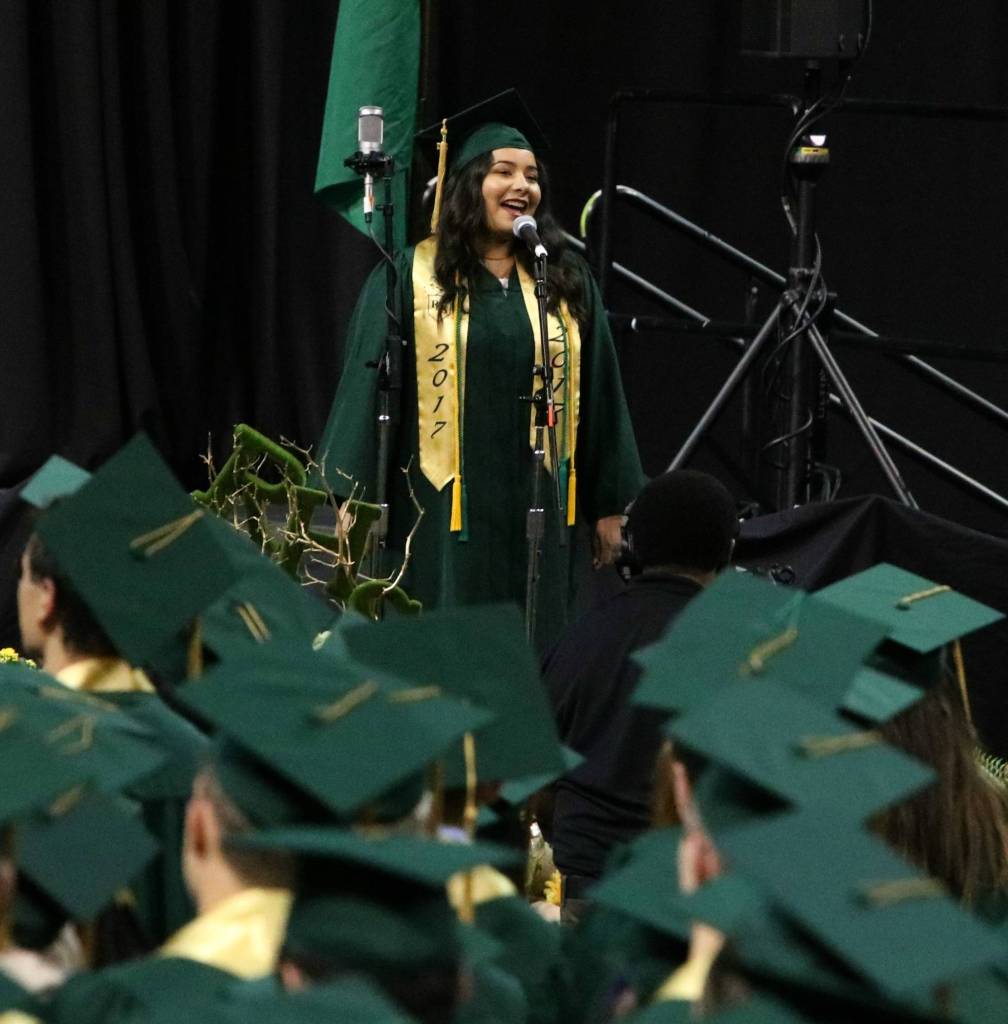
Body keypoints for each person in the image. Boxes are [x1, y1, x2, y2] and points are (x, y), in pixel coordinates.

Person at [315, 89, 644, 649]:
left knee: (538, 645)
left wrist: (611, 505)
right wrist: (346, 498)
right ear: (468, 184)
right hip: (442, 515)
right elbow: (364, 391)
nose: (523, 187)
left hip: (538, 508)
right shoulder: (407, 279)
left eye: (532, 176)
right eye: (504, 172)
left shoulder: (563, 284)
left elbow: (601, 398)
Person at [542, 470, 738, 921]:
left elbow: (533, 774)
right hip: (691, 903)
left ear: (633, 547)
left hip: (585, 896)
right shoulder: (743, 647)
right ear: (728, 551)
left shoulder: (580, 638)